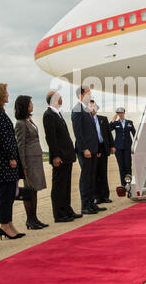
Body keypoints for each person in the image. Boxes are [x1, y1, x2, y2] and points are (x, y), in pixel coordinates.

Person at [0, 83, 25, 240]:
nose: (8, 95)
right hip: (4, 161)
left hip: (7, 159)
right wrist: (11, 157)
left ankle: (9, 223)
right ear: (0, 95)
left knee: (10, 194)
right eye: (6, 92)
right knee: (6, 194)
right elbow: (4, 139)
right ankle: (4, 225)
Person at [43, 91, 82, 223]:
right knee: (59, 186)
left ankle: (67, 209)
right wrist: (55, 156)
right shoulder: (48, 115)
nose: (62, 99)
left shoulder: (57, 113)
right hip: (60, 157)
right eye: (60, 97)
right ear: (54, 100)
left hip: (67, 156)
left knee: (66, 186)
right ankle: (59, 214)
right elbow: (51, 138)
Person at [15, 95, 48, 230]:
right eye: (30, 103)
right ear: (25, 106)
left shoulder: (29, 121)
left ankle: (34, 218)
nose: (32, 105)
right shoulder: (20, 123)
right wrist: (23, 166)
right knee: (29, 191)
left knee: (34, 190)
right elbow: (20, 146)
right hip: (28, 161)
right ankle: (30, 220)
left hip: (36, 159)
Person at [71, 86, 102, 215]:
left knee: (92, 177)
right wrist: (84, 148)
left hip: (93, 148)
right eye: (89, 93)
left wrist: (96, 148)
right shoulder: (77, 110)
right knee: (86, 177)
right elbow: (78, 132)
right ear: (82, 95)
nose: (90, 95)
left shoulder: (86, 109)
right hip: (86, 149)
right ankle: (85, 205)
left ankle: (91, 203)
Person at [90, 100, 116, 204]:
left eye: (94, 106)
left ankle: (105, 196)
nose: (93, 108)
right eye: (91, 106)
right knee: (95, 174)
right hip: (94, 149)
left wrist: (112, 145)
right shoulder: (88, 120)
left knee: (103, 173)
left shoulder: (103, 119)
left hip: (103, 148)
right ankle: (98, 197)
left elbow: (108, 133)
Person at [110, 107, 136, 187]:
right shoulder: (115, 123)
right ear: (117, 114)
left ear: (124, 113)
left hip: (128, 147)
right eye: (118, 113)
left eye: (121, 113)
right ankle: (123, 184)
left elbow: (135, 134)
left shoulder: (129, 122)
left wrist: (134, 146)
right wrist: (112, 121)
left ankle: (129, 183)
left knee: (128, 165)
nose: (120, 114)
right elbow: (108, 130)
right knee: (121, 166)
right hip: (118, 147)